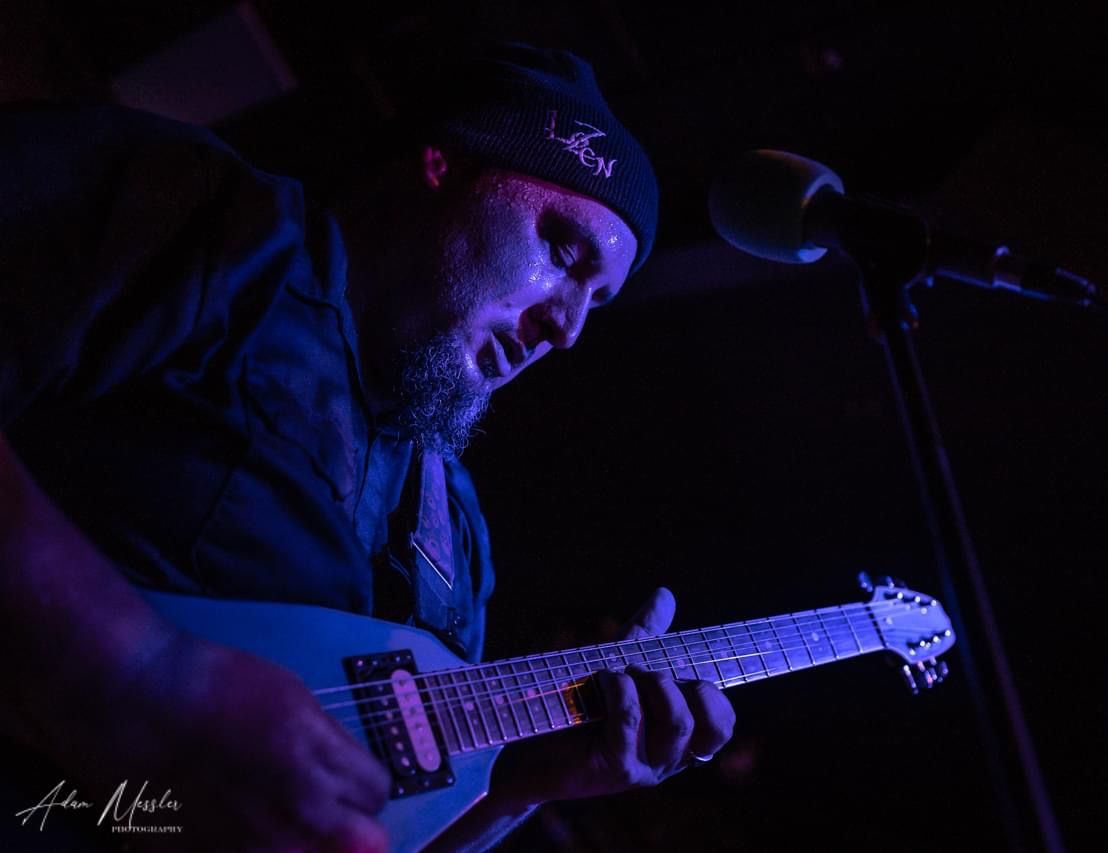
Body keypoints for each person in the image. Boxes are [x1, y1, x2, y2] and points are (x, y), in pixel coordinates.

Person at [0, 44, 735, 851]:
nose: (567, 328)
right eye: (562, 253)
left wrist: (516, 786)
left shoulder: (456, 537)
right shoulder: (214, 224)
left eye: (597, 301)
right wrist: (138, 672)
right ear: (443, 163)